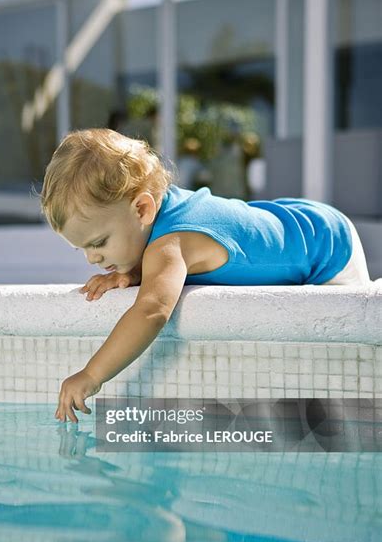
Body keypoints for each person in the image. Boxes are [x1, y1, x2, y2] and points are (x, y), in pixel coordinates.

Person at [40, 128, 371, 423]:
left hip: (326, 244)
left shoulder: (169, 245)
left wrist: (92, 374)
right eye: (81, 249)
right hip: (293, 217)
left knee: (351, 359)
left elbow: (152, 310)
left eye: (99, 243)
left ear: (142, 209)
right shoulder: (160, 216)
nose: (91, 258)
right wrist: (133, 271)